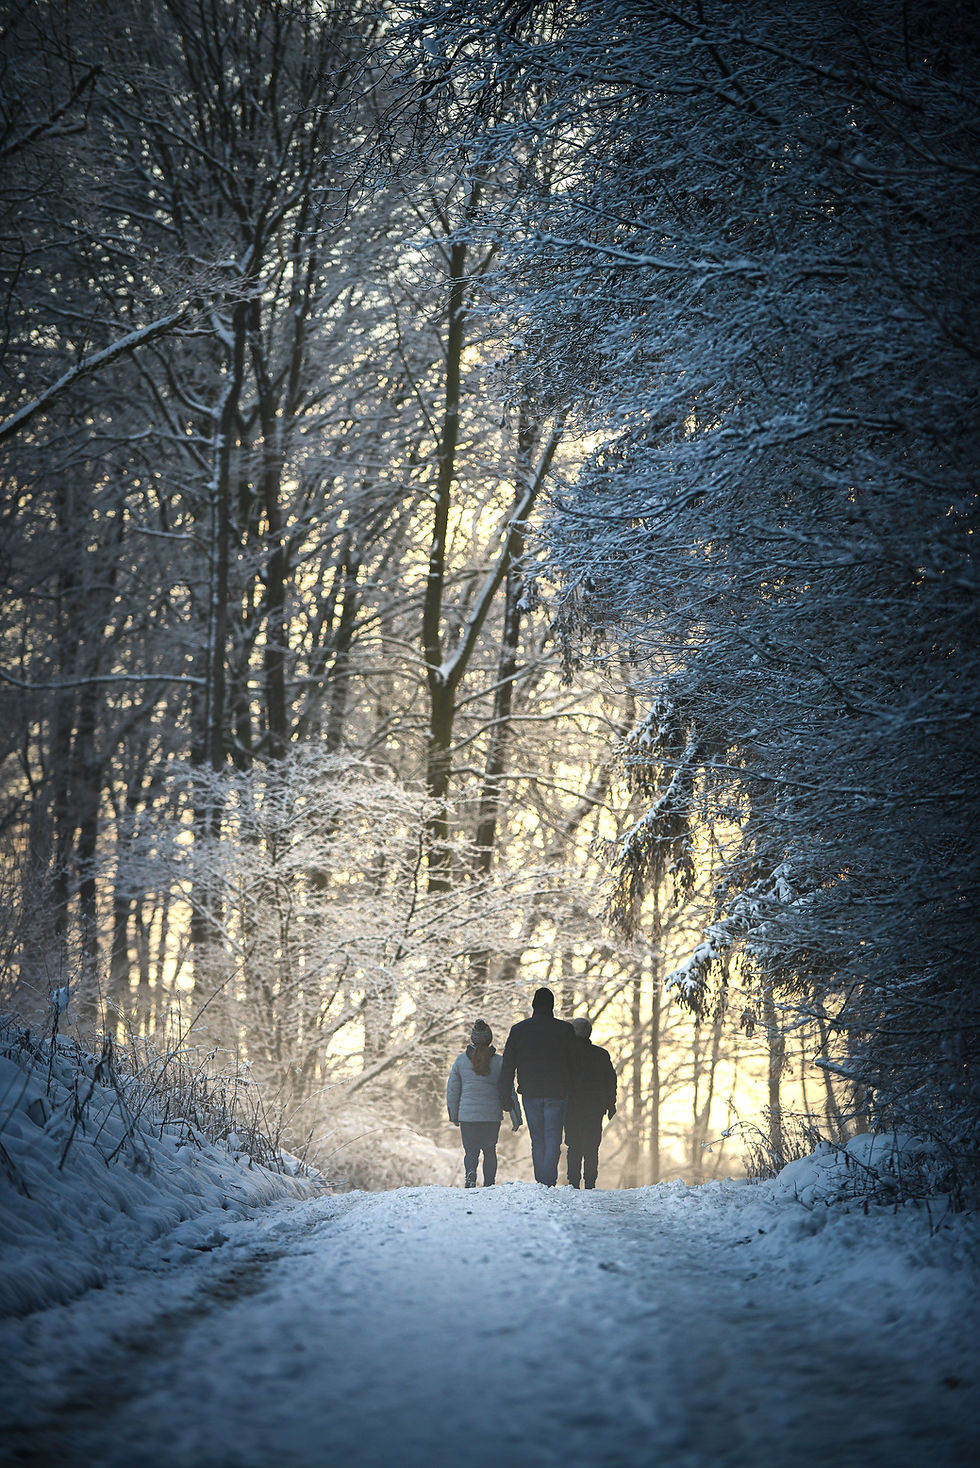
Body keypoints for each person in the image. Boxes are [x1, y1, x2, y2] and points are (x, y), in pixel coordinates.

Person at [497, 987, 577, 1187]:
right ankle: (548, 1179)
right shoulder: (565, 1030)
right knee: (553, 1138)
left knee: (538, 1139)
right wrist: (573, 1091)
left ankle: (541, 1180)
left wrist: (504, 1094)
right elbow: (575, 1064)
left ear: (533, 1005)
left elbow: (508, 1065)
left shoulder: (519, 1030)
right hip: (557, 1093)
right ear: (552, 1006)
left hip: (531, 1092)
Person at [446, 1020, 521, 1187]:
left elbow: (452, 1090)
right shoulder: (499, 1062)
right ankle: (489, 1183)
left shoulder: (460, 1061)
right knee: (489, 1150)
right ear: (489, 1039)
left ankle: (471, 1177)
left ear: (472, 1039)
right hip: (491, 1116)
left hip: (468, 1116)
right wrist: (516, 1117)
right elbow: (509, 1091)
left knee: (471, 1152)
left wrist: (454, 1115)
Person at [565, 1016, 617, 1189]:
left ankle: (573, 1181)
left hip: (571, 1108)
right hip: (594, 1109)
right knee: (591, 1146)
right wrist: (611, 1104)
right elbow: (611, 1081)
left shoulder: (566, 1054)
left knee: (573, 1145)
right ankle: (590, 1182)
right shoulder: (601, 1055)